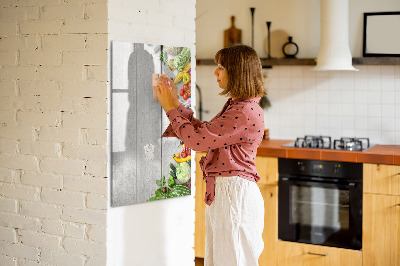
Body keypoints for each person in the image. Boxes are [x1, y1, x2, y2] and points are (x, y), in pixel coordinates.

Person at [153, 44, 267, 266]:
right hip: (229, 193)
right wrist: (176, 104)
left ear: (237, 72)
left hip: (234, 195)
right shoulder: (239, 106)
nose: (215, 72)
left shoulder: (243, 111)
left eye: (221, 67)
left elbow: (197, 141)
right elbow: (205, 133)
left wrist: (169, 109)